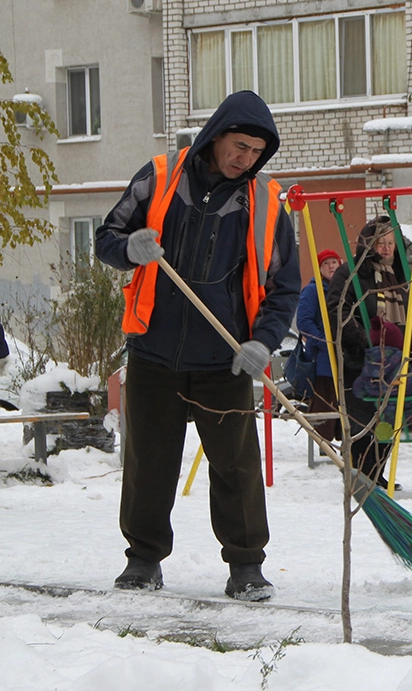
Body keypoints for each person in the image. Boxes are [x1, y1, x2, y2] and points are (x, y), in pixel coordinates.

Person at [95, 90, 300, 601]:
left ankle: (246, 567)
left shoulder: (266, 205)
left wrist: (263, 342)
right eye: (239, 145)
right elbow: (106, 237)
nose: (245, 158)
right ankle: (142, 560)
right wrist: (129, 249)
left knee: (236, 466)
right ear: (216, 135)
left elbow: (284, 287)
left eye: (256, 151)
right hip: (153, 353)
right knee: (149, 462)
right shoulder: (159, 177)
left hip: (224, 360)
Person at [324, 216, 412, 484]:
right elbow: (338, 311)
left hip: (394, 364)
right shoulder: (352, 273)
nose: (386, 248)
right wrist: (364, 341)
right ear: (368, 244)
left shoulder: (399, 276)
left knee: (387, 422)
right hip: (360, 362)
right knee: (363, 422)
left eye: (391, 242)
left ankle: (376, 473)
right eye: (380, 242)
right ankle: (361, 474)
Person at [296, 249, 341, 438]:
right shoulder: (312, 291)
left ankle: (341, 439)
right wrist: (323, 342)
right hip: (322, 358)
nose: (331, 267)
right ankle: (322, 442)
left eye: (334, 263)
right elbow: (304, 322)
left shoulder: (344, 288)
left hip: (343, 356)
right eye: (326, 264)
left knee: (342, 401)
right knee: (325, 399)